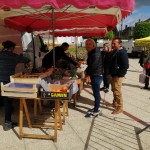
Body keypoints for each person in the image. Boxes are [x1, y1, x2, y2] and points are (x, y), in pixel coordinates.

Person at [0, 40, 30, 130]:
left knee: (4, 100)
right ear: (12, 48)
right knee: (8, 101)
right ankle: (8, 123)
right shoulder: (13, 56)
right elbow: (27, 60)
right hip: (6, 82)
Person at [109, 38, 129, 115]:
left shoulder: (122, 52)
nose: (112, 45)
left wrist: (119, 75)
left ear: (120, 44)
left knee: (117, 91)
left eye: (114, 43)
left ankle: (120, 107)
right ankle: (115, 104)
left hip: (118, 76)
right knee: (114, 90)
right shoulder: (115, 51)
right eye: (112, 43)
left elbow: (125, 66)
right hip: (113, 75)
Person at [84, 38, 103, 118]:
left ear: (93, 44)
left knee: (96, 93)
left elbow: (93, 66)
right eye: (86, 44)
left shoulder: (95, 53)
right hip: (95, 74)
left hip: (96, 75)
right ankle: (96, 107)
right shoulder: (92, 52)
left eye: (89, 44)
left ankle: (95, 112)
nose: (87, 46)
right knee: (96, 94)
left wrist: (87, 74)